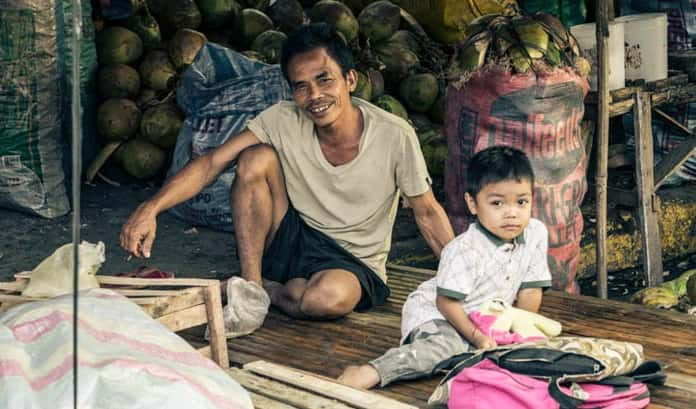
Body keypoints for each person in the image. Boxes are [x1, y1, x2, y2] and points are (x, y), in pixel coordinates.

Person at [120, 23, 454, 322]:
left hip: (354, 258)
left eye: (324, 79)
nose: (314, 96)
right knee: (255, 158)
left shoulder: (394, 135)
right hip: (293, 234)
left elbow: (426, 212)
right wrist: (151, 208)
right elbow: (212, 162)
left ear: (350, 80)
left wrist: (464, 282)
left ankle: (272, 291)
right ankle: (251, 290)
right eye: (301, 86)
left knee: (325, 300)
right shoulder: (282, 117)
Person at [338, 146, 552, 389]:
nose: (512, 213)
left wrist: (519, 334)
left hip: (486, 317)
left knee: (526, 352)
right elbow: (446, 303)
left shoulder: (535, 233)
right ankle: (372, 370)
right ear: (472, 203)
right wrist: (476, 336)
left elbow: (530, 290)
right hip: (439, 313)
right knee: (446, 349)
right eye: (497, 203)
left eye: (521, 202)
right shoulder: (465, 249)